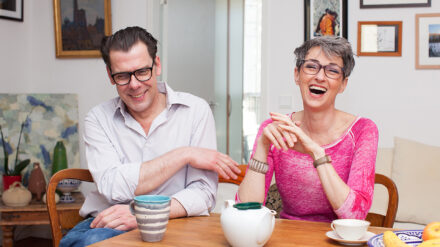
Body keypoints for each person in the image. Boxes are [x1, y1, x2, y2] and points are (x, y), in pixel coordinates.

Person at [60, 26, 241, 247]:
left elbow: (203, 193)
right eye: (123, 76)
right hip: (108, 224)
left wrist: (144, 214)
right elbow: (113, 187)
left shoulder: (196, 111)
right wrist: (184, 154)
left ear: (157, 65)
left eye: (142, 71)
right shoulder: (98, 119)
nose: (134, 84)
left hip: (175, 224)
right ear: (110, 75)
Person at [237, 36, 378, 223]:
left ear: (343, 84)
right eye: (311, 66)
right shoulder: (275, 130)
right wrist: (263, 146)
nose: (319, 77)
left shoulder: (363, 130)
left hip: (339, 239)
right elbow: (246, 212)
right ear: (297, 74)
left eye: (332, 71)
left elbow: (355, 215)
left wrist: (317, 153)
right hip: (289, 236)